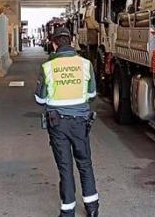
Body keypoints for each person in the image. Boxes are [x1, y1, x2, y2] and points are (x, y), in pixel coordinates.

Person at [35, 27, 99, 217]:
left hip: (58, 124)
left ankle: (68, 211)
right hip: (80, 122)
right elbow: (92, 94)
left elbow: (40, 99)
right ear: (71, 41)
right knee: (85, 163)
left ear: (54, 44)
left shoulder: (48, 67)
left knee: (65, 166)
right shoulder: (85, 64)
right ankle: (92, 208)